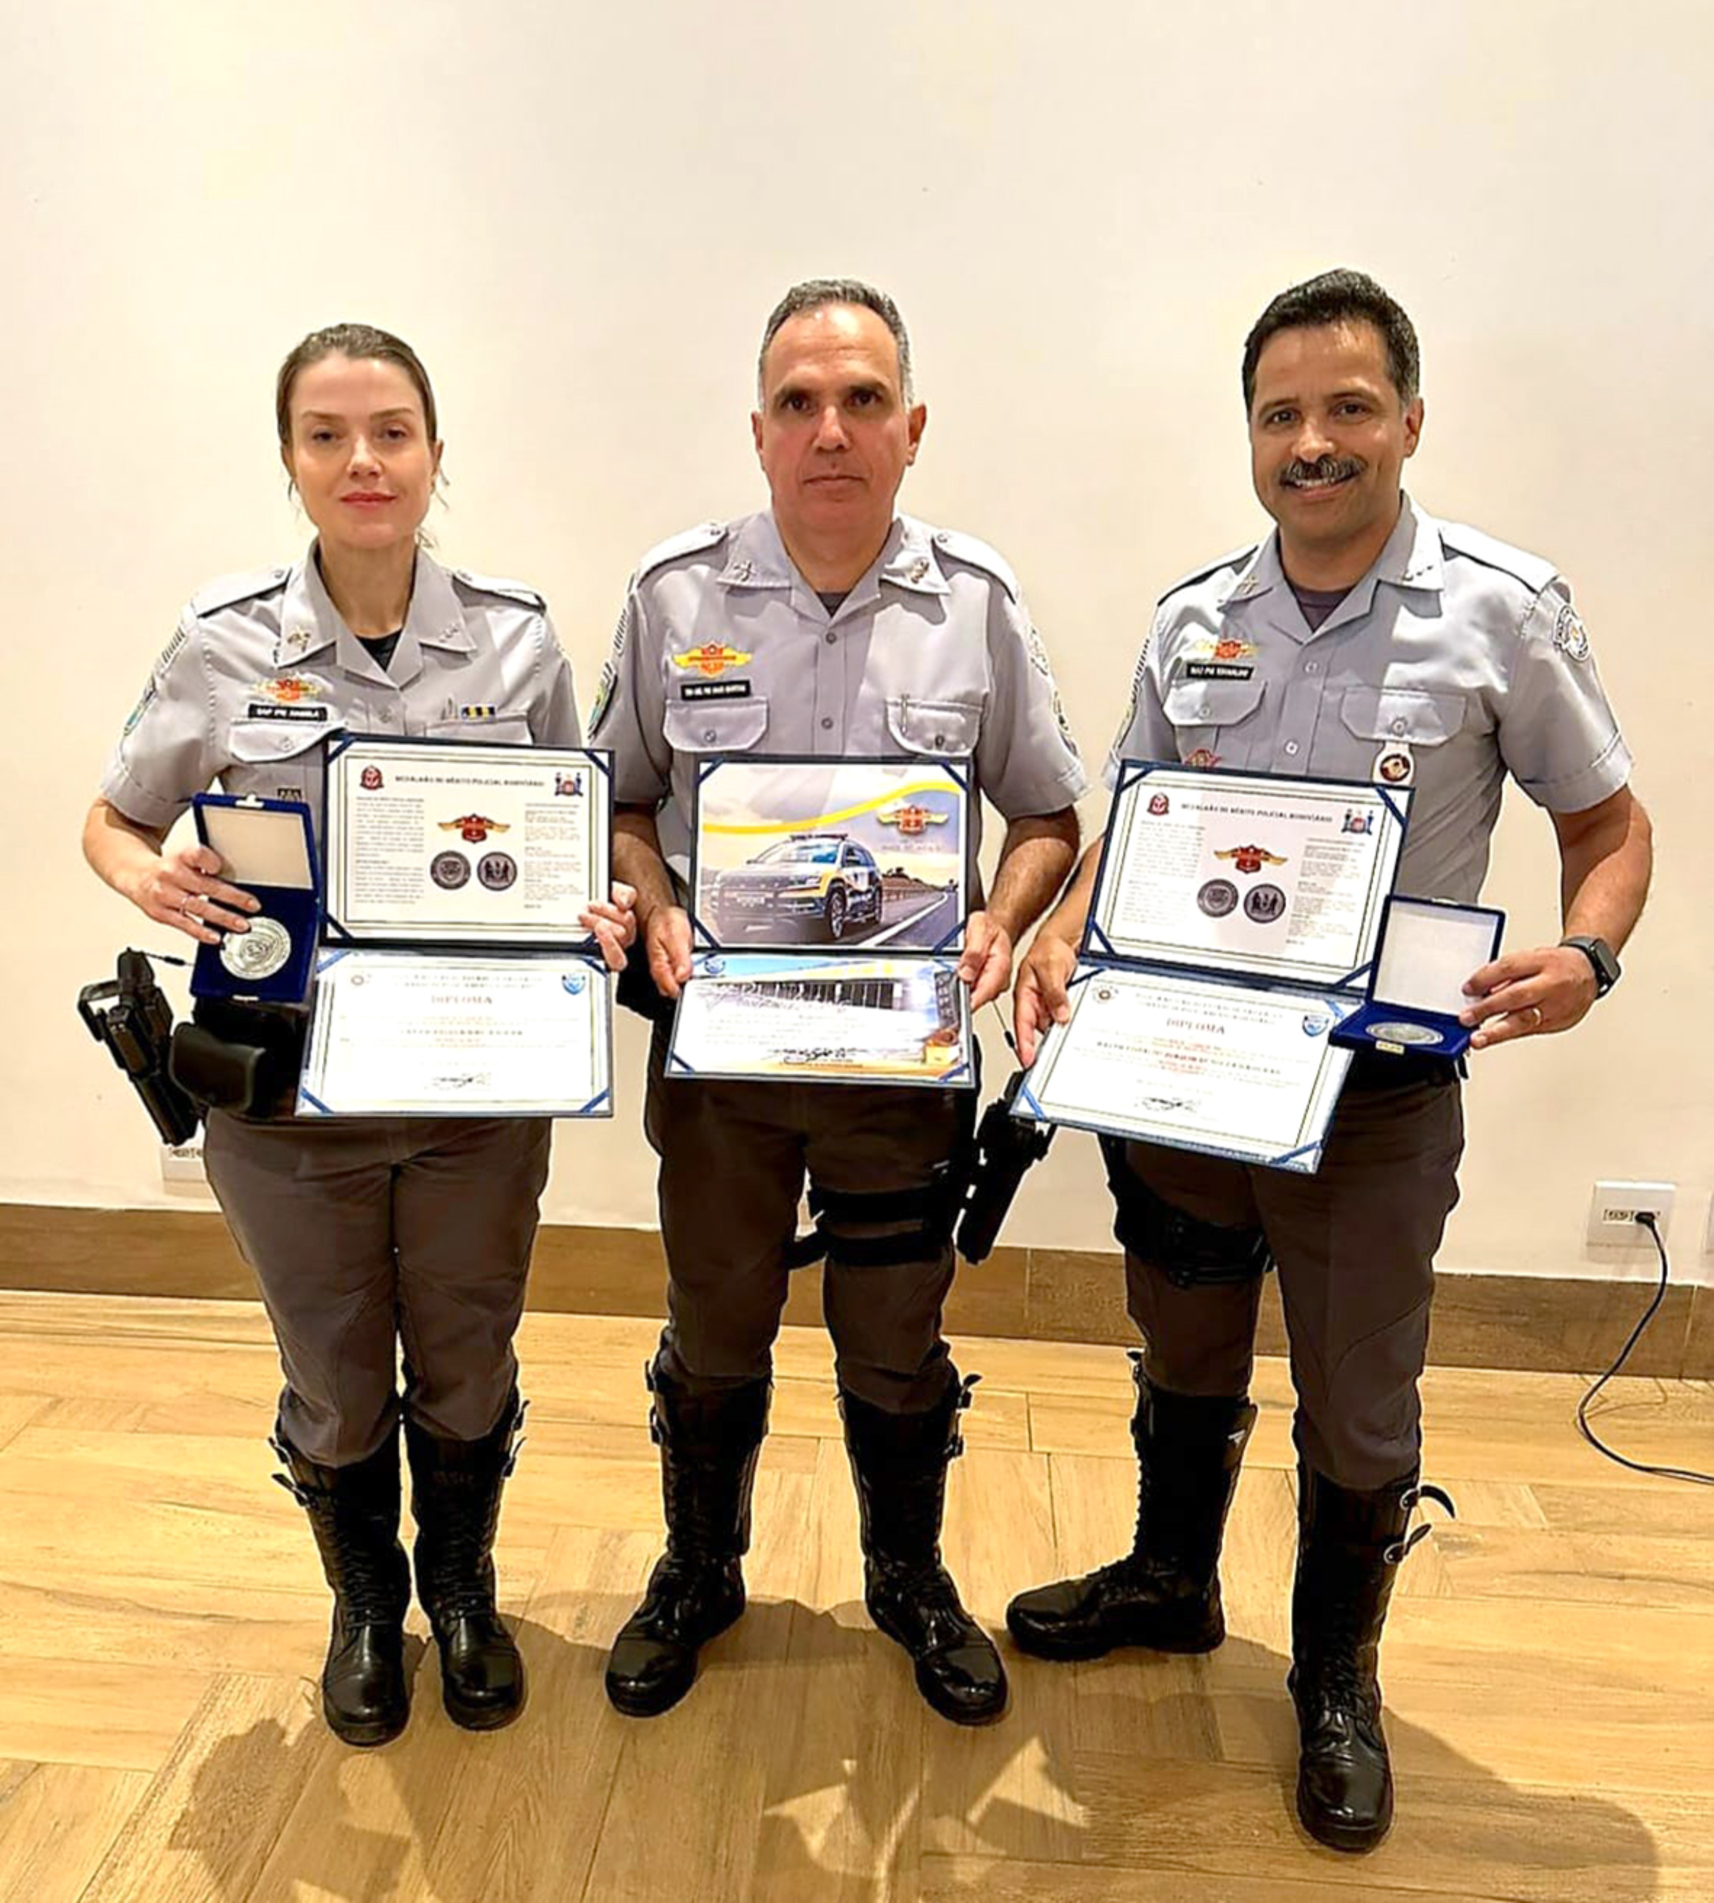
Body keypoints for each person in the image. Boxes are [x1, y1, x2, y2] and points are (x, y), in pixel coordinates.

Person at [1003, 270, 1652, 1850]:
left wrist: (1586, 953)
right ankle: (1170, 1581)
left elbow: (1608, 825)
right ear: (1249, 435)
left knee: (1358, 1399)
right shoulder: (1190, 621)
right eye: (1282, 413)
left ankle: (1335, 1683)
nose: (1314, 442)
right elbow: (1128, 831)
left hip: (1373, 1090)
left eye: (1348, 408)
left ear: (1407, 423)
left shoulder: (1499, 611)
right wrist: (1062, 929)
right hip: (1184, 1068)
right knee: (1181, 1328)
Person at [83, 323, 634, 1747]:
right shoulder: (222, 644)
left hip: (473, 1077)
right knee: (332, 1374)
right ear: (291, 462)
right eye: (327, 436)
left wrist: (598, 919)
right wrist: (146, 875)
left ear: (436, 453)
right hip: (286, 1089)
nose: (363, 462)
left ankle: (461, 1594)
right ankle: (363, 1609)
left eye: (390, 431)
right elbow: (115, 815)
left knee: (466, 1356)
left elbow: (572, 843)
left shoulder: (514, 639)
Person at [592, 278, 1086, 1726]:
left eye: (861, 400)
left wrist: (1002, 919)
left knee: (893, 1334)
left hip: (900, 1061)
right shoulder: (671, 596)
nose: (830, 430)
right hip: (724, 1059)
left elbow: (1051, 814)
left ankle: (906, 1573)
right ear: (758, 432)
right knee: (717, 1318)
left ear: (910, 428)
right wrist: (658, 896)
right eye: (799, 403)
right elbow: (618, 798)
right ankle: (698, 1566)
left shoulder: (974, 607)